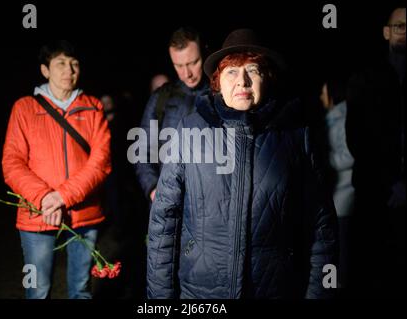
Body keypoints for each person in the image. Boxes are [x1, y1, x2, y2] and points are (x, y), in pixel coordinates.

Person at [147, 29, 338, 299]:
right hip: (200, 295)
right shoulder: (188, 131)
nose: (243, 81)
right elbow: (163, 223)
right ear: (217, 82)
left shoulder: (295, 137)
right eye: (231, 72)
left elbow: (322, 226)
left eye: (253, 70)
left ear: (267, 78)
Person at [2, 40, 111, 299]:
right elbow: (12, 162)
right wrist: (44, 198)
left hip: (84, 214)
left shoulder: (93, 107)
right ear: (45, 70)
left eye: (74, 64)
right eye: (60, 63)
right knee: (37, 290)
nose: (69, 70)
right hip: (37, 215)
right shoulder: (24, 108)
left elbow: (101, 161)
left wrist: (62, 196)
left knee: (81, 289)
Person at [346, 6, 405, 297]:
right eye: (399, 26)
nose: (404, 32)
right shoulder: (365, 79)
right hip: (375, 199)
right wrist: (392, 184)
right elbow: (359, 140)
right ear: (386, 32)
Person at [135, 27, 210, 203]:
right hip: (169, 203)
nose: (187, 73)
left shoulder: (223, 96)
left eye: (193, 62)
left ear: (205, 53)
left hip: (211, 205)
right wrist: (153, 188)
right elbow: (141, 151)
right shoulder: (161, 98)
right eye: (179, 66)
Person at [320, 75, 354, 293]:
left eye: (323, 91)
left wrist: (325, 163)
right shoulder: (331, 117)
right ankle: (331, 287)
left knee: (341, 253)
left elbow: (351, 153)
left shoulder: (344, 117)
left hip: (344, 199)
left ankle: (338, 289)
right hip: (333, 198)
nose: (320, 96)